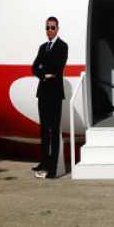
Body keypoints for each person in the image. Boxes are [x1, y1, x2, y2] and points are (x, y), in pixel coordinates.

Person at [31, 17, 68, 179]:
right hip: (43, 92)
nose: (50, 31)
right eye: (47, 28)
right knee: (44, 130)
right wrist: (45, 73)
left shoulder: (62, 46)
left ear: (58, 28)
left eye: (52, 27)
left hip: (55, 93)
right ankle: (44, 162)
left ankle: (53, 168)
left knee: (54, 130)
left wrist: (44, 68)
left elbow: (58, 67)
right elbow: (34, 67)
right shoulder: (42, 47)